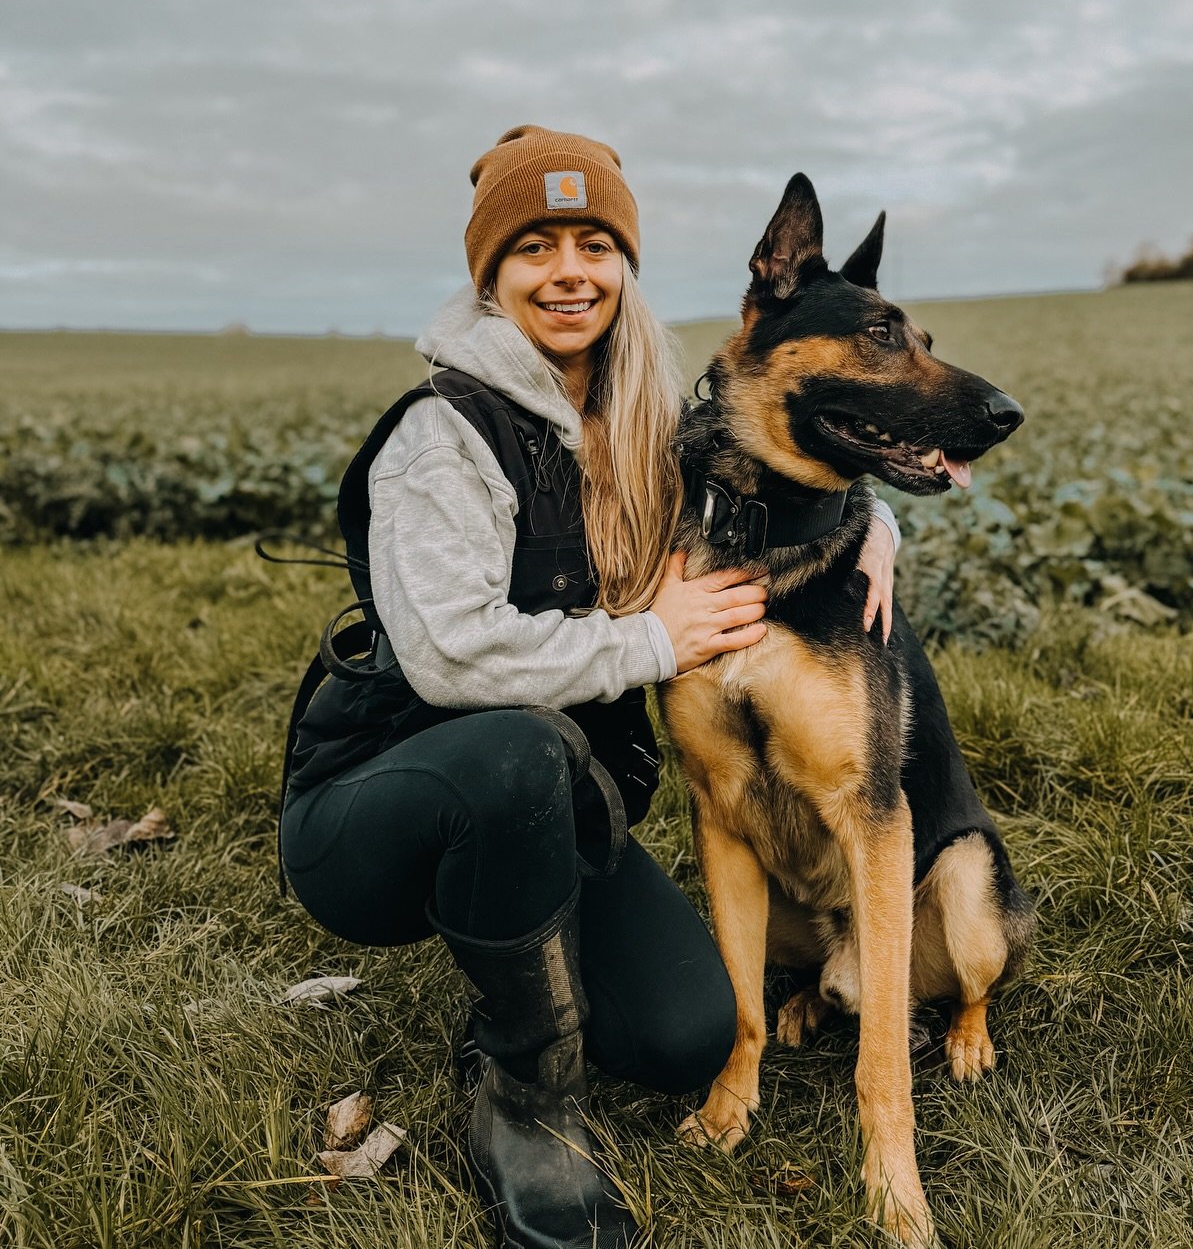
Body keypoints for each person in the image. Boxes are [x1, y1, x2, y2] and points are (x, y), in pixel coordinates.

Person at [279, 125, 901, 1249]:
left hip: (553, 815)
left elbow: (772, 458)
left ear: (624, 264)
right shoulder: (442, 437)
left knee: (684, 1035)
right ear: (491, 273)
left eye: (594, 243)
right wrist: (653, 641)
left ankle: (505, 983)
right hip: (376, 810)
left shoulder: (651, 421)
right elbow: (453, 659)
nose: (569, 270)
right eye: (535, 247)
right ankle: (527, 1102)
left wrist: (880, 525)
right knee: (517, 743)